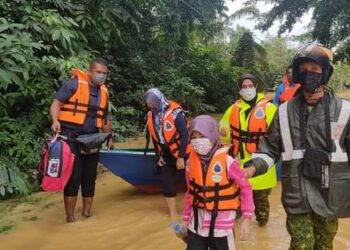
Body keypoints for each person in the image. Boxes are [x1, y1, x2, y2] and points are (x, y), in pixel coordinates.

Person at [244, 43, 350, 250]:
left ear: (325, 72)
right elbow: (270, 148)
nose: (308, 74)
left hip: (329, 191)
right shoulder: (283, 111)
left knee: (324, 244)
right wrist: (253, 166)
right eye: (304, 70)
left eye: (314, 70)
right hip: (297, 189)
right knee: (301, 245)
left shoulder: (344, 110)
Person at [50, 58, 114, 223]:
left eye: (104, 73)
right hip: (71, 137)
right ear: (90, 71)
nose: (101, 76)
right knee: (74, 177)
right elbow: (56, 104)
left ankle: (87, 213)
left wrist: (109, 138)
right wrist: (55, 121)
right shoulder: (73, 84)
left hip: (92, 138)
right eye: (98, 72)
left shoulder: (104, 92)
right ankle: (70, 218)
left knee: (89, 177)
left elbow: (105, 118)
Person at [182, 115, 254, 250]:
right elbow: (189, 192)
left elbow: (246, 187)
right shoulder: (190, 162)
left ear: (212, 135)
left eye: (202, 136)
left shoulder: (228, 162)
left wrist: (246, 218)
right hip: (196, 224)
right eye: (194, 138)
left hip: (222, 227)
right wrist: (185, 219)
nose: (198, 141)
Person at [218, 74, 277, 226]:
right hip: (239, 162)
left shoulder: (270, 109)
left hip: (261, 162)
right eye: (243, 87)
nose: (247, 89)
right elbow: (224, 134)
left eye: (250, 86)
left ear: (256, 87)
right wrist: (224, 134)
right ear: (239, 89)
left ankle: (262, 231)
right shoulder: (232, 109)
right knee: (236, 202)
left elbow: (276, 139)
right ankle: (235, 230)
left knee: (261, 204)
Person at [145, 88, 189, 218]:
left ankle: (192, 211)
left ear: (160, 100)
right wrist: (158, 156)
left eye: (154, 103)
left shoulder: (176, 113)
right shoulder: (151, 114)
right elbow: (154, 137)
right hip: (165, 154)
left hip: (181, 152)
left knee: (189, 182)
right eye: (149, 104)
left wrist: (181, 157)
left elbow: (184, 135)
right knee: (166, 183)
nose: (152, 106)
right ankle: (173, 213)